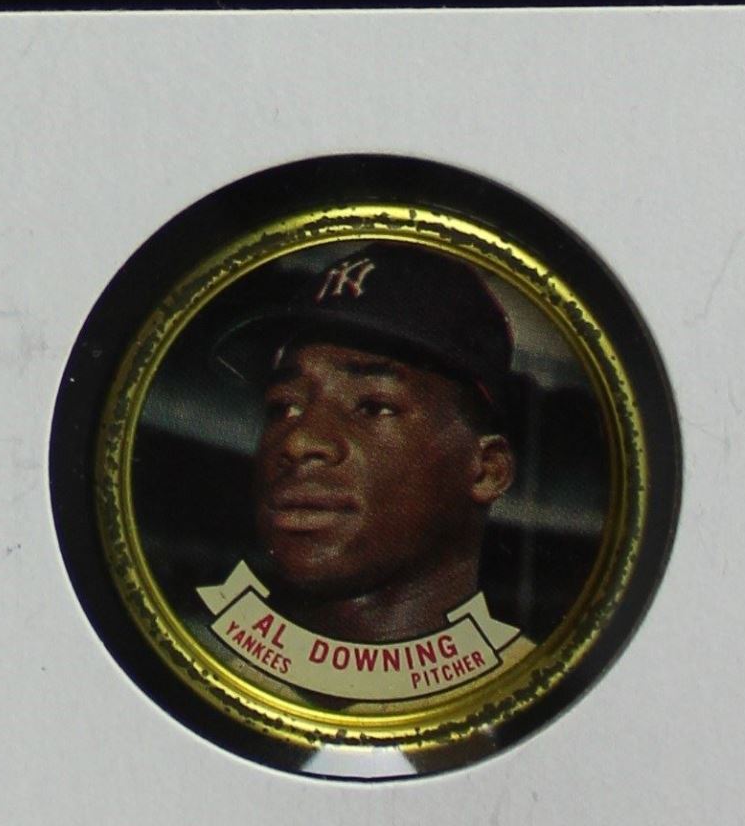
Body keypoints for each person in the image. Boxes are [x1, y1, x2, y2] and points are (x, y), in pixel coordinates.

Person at [199, 242, 532, 699]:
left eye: (374, 406)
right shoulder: (202, 687)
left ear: (487, 471)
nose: (298, 441)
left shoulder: (540, 704)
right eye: (283, 406)